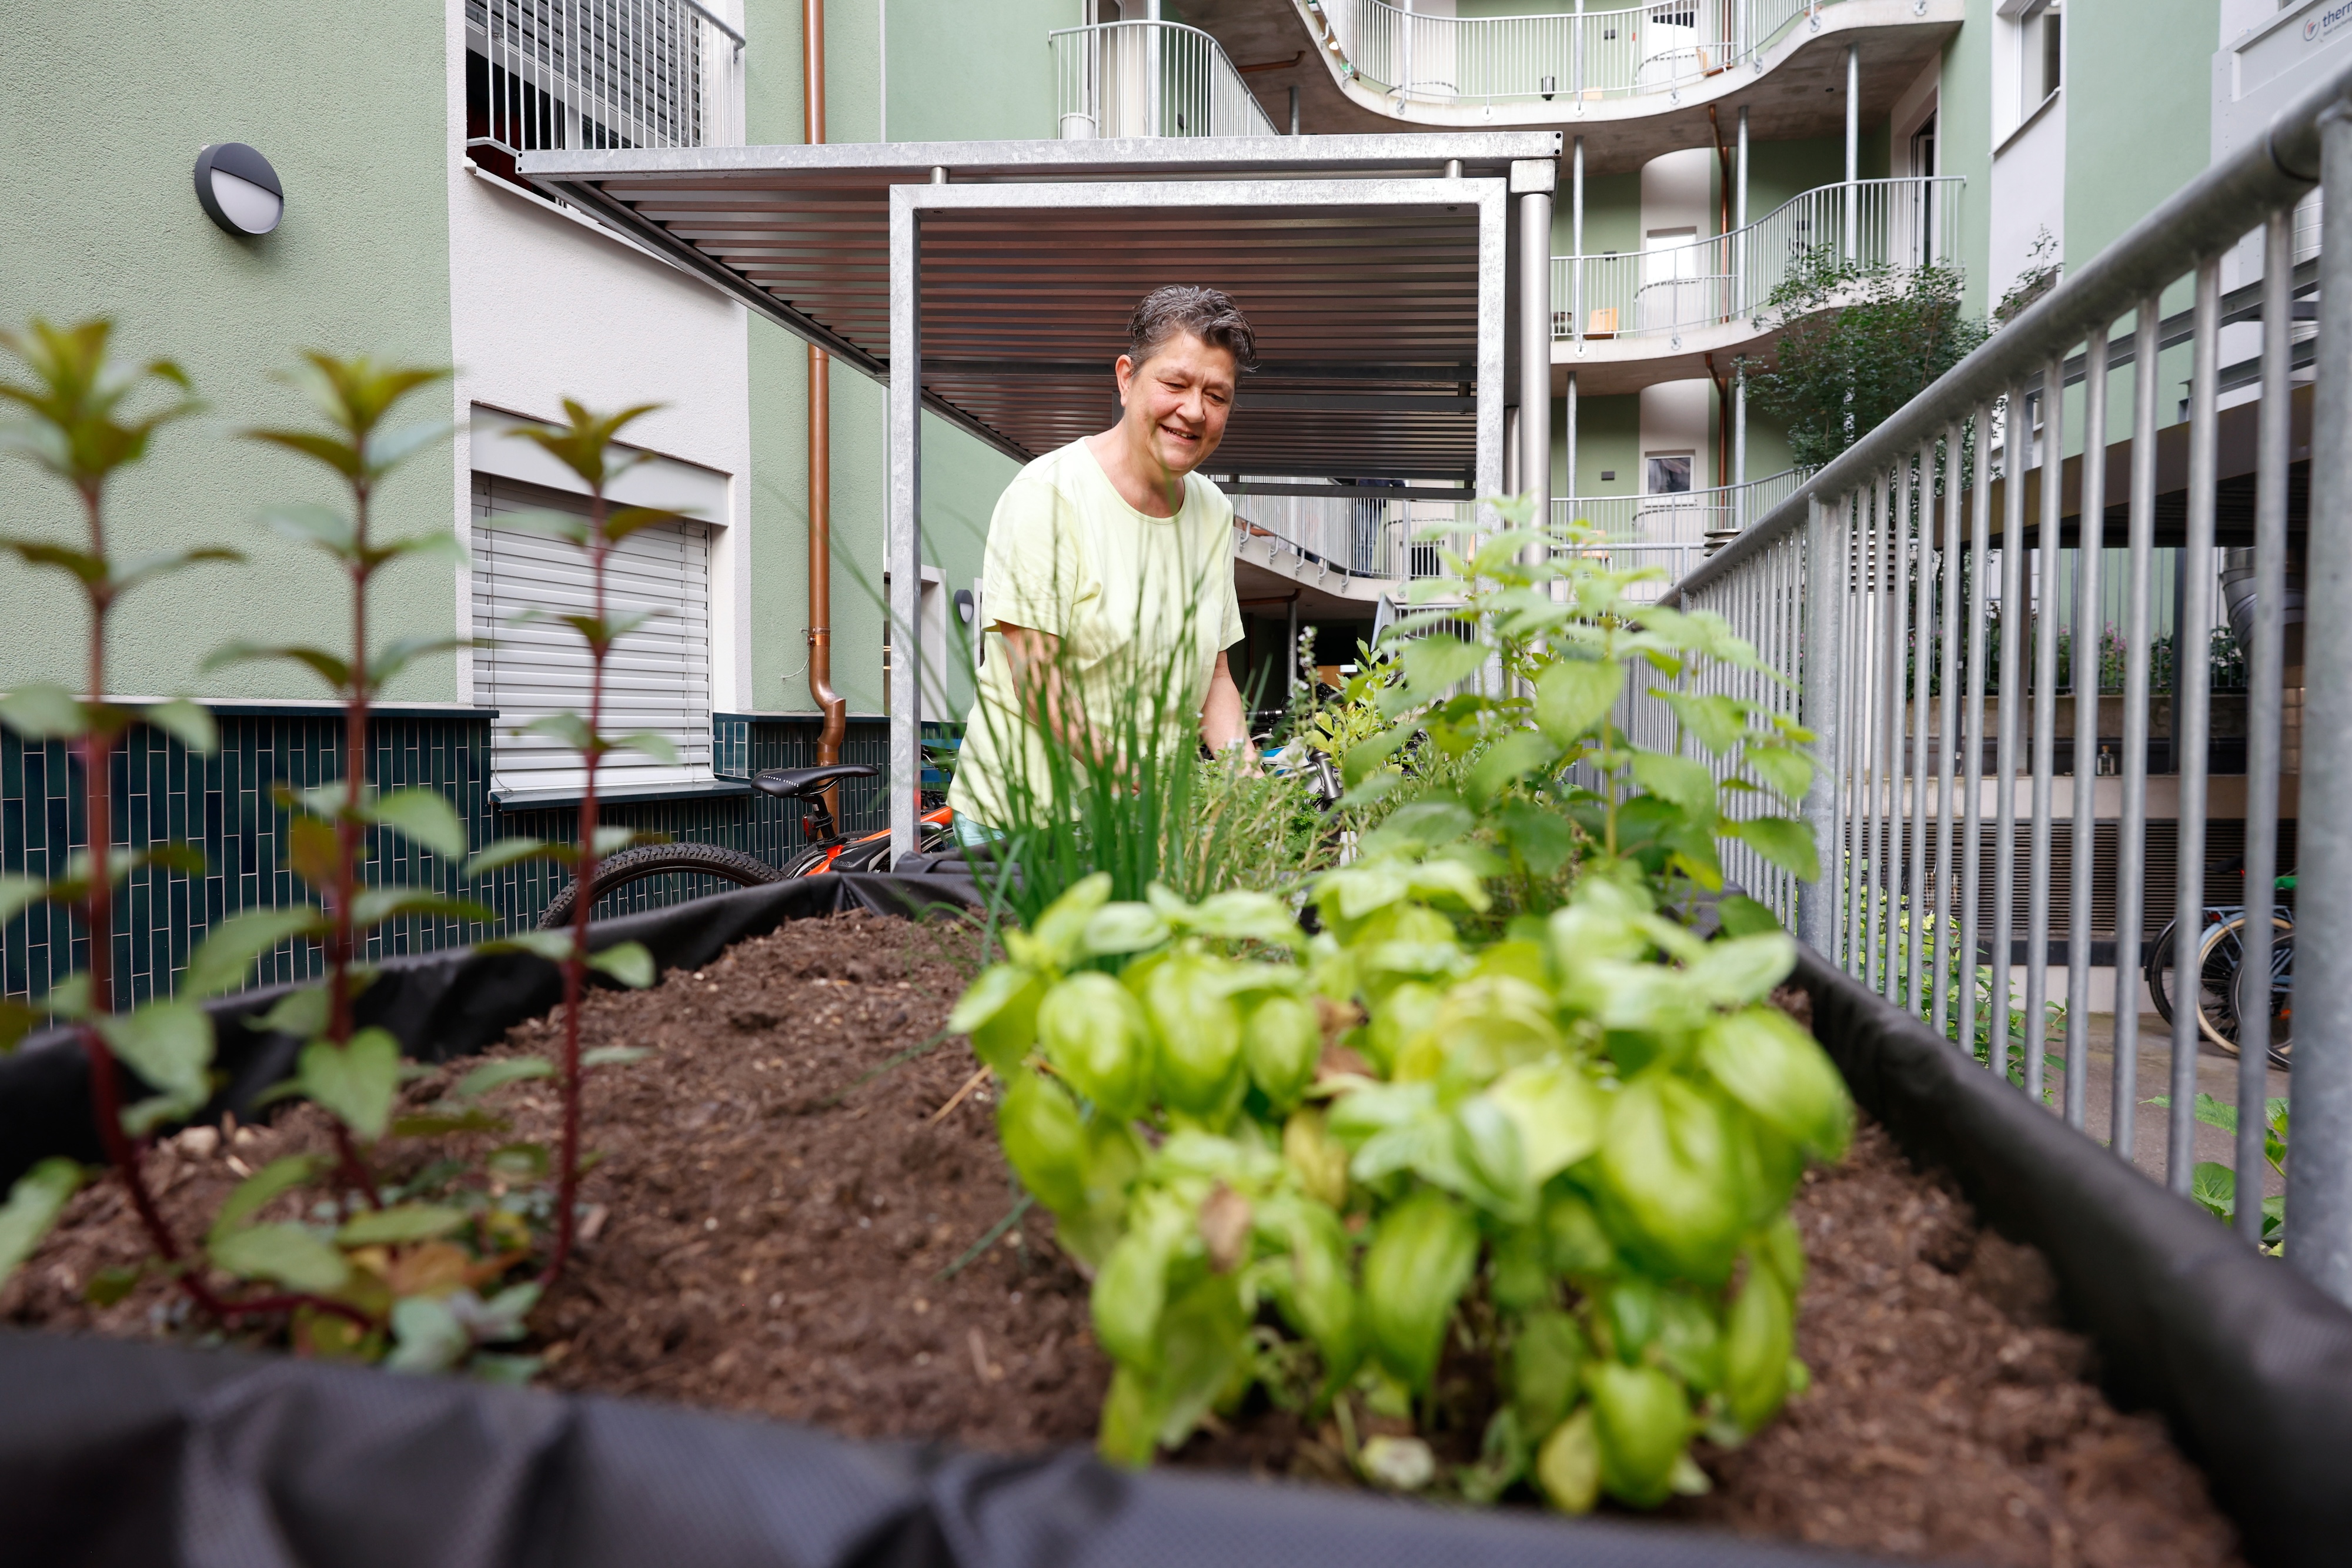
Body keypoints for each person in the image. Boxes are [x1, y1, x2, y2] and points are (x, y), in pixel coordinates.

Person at [946, 286, 1255, 844]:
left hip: (1139, 820)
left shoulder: (1212, 510)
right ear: (1126, 378)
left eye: (1217, 395)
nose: (1195, 411)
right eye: (1176, 384)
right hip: (1026, 827)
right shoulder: (1049, 494)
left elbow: (1215, 678)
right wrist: (1136, 778)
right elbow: (1035, 679)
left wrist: (1250, 784)